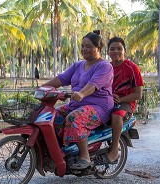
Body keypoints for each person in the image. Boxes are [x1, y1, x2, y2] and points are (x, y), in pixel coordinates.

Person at [42, 30, 114, 170]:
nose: (84, 49)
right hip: (76, 105)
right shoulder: (78, 65)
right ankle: (63, 151)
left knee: (74, 119)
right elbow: (61, 79)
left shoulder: (105, 66)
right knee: (52, 116)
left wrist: (81, 93)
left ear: (98, 48)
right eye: (82, 46)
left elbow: (93, 85)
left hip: (98, 107)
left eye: (88, 46)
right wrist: (42, 88)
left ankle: (84, 155)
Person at [97, 36, 144, 164]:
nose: (116, 51)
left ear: (125, 50)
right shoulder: (105, 67)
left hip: (125, 103)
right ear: (108, 52)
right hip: (106, 101)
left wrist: (120, 99)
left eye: (119, 48)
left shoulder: (132, 68)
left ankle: (114, 150)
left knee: (116, 116)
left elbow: (138, 94)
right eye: (112, 49)